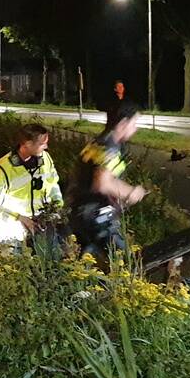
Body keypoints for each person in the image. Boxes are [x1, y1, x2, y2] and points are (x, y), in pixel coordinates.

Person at [70, 100, 148, 259]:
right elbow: (102, 183)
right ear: (123, 123)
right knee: (128, 263)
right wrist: (131, 192)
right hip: (97, 219)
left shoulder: (97, 142)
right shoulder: (111, 147)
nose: (136, 128)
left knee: (89, 264)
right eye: (134, 123)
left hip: (80, 214)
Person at [0, 123, 63, 243]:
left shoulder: (45, 158)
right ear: (27, 144)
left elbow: (53, 183)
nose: (46, 147)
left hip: (42, 224)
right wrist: (18, 218)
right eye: (42, 143)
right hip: (14, 230)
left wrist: (57, 205)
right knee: (16, 261)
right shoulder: (2, 169)